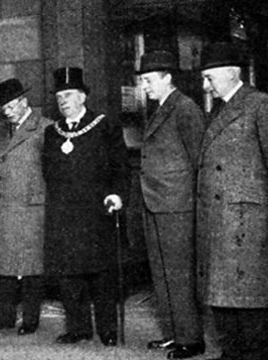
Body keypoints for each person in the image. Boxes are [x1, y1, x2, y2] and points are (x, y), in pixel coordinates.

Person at [42, 67, 129, 346]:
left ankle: (107, 329)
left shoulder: (104, 126)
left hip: (96, 212)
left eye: (67, 95)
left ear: (82, 96)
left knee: (100, 275)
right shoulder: (51, 133)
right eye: (58, 96)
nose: (62, 101)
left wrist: (117, 195)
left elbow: (121, 167)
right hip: (64, 214)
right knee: (69, 275)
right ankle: (77, 328)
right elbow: (48, 172)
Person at [197, 42, 268, 360]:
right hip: (221, 219)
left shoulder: (259, 104)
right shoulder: (220, 109)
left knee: (249, 299)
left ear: (231, 73)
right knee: (223, 297)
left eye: (209, 77)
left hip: (247, 220)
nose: (205, 85)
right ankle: (232, 352)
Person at [136, 50, 206, 359]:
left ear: (168, 78)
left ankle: (191, 339)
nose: (145, 87)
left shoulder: (185, 108)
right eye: (143, 81)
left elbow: (198, 160)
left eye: (149, 80)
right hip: (158, 203)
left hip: (177, 206)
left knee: (178, 275)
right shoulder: (162, 107)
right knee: (162, 274)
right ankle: (174, 335)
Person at [0, 78, 52, 335]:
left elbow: (54, 171)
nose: (6, 111)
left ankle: (30, 320)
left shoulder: (45, 128)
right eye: (4, 107)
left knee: (31, 267)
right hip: (2, 207)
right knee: (3, 267)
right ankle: (4, 317)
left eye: (10, 106)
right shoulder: (2, 130)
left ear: (24, 102)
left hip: (29, 209)